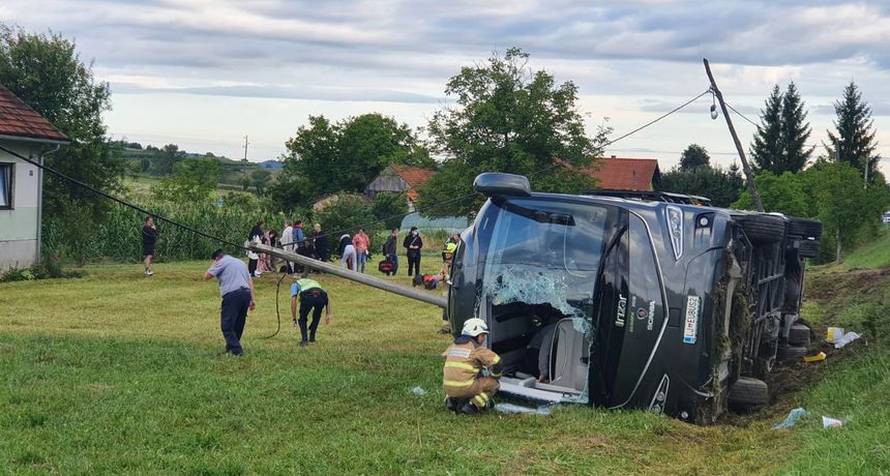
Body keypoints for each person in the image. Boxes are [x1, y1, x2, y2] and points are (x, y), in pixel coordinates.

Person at [442, 318, 503, 414]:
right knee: (494, 384)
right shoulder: (477, 348)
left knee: (466, 380)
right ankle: (473, 405)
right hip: (465, 387)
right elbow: (497, 363)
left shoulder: (453, 346)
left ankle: (451, 400)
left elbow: (446, 357)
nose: (484, 338)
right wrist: (495, 376)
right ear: (474, 334)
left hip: (447, 387)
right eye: (482, 335)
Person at [204, 249, 256, 356]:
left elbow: (207, 276)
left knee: (227, 325)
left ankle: (237, 350)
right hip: (245, 294)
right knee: (238, 323)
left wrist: (214, 263)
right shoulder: (241, 262)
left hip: (232, 295)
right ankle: (230, 348)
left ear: (217, 258)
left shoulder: (221, 262)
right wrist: (252, 299)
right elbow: (250, 282)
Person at [290, 274, 333, 348]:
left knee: (302, 318)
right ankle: (312, 338)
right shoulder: (314, 282)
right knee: (317, 316)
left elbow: (294, 299)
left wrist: (294, 317)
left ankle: (304, 340)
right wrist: (328, 313)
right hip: (321, 296)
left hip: (307, 295)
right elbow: (326, 295)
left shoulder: (295, 284)